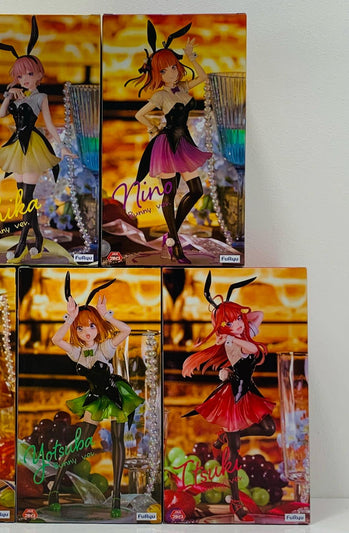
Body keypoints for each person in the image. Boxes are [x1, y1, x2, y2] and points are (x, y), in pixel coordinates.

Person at [182, 272, 275, 521]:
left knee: (269, 428)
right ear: (224, 327)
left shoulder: (243, 332)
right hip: (232, 396)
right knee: (234, 452)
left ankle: (223, 437)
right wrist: (229, 332)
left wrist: (233, 316)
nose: (239, 324)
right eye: (231, 322)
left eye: (239, 319)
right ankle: (236, 502)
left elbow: (258, 315)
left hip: (249, 391)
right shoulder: (233, 342)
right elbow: (253, 349)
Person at [48, 273, 143, 518]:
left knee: (119, 441)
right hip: (95, 398)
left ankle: (117, 496)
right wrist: (70, 319)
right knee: (81, 440)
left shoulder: (104, 347)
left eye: (91, 326)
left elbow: (127, 330)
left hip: (115, 394)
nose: (86, 331)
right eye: (80, 328)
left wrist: (106, 315)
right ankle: (55, 487)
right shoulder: (77, 352)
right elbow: (55, 339)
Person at [0, 16, 76, 264]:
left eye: (29, 73)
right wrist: (8, 94)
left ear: (39, 74)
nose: (25, 79)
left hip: (33, 147)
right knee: (24, 199)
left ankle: (22, 243)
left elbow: (49, 124)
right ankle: (37, 238)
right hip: (17, 146)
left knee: (27, 199)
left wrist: (62, 147)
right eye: (20, 76)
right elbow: (1, 114)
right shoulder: (17, 95)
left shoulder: (41, 97)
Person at [126, 21, 211, 263]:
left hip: (184, 143)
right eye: (164, 71)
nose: (171, 73)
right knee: (169, 195)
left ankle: (172, 235)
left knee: (196, 190)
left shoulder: (183, 86)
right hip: (166, 145)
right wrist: (153, 128)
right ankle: (176, 246)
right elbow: (139, 114)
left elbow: (203, 77)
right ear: (157, 74)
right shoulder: (160, 95)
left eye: (173, 67)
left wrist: (192, 58)